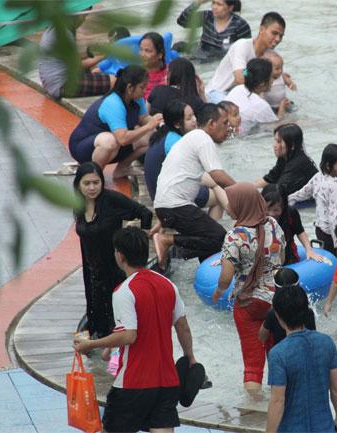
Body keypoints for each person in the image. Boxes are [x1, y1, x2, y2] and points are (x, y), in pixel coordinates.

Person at [73, 227, 197, 433]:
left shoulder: (124, 291)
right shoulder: (168, 285)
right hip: (167, 380)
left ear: (120, 256)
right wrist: (190, 357)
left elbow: (129, 336)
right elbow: (182, 327)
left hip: (134, 382)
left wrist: (91, 344)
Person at [211, 183, 285, 395]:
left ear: (242, 205)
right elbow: (281, 258)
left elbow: (226, 276)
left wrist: (218, 291)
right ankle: (278, 402)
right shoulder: (272, 224)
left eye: (231, 202)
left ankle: (253, 410)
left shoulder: (235, 236)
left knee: (253, 363)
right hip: (276, 301)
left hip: (249, 303)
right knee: (275, 354)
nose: (228, 207)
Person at [73, 163, 152, 339]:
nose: (92, 188)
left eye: (96, 182)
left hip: (114, 267)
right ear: (78, 185)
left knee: (117, 317)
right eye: (87, 184)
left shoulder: (112, 200)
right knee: (97, 315)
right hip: (91, 269)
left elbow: (145, 213)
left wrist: (141, 241)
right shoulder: (78, 204)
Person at [153, 103, 236, 271]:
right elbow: (217, 175)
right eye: (225, 123)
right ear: (212, 123)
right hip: (175, 206)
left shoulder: (194, 138)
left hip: (169, 207)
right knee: (220, 237)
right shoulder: (202, 138)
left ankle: (204, 271)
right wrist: (244, 192)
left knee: (209, 238)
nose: (229, 128)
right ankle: (167, 240)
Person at [266, 283, 337, 433]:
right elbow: (336, 387)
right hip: (325, 428)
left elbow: (277, 401)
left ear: (278, 315)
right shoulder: (326, 342)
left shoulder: (278, 354)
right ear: (305, 310)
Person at [68, 65, 163, 178]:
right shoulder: (114, 103)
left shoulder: (137, 99)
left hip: (113, 146)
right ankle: (94, 176)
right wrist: (148, 126)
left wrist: (157, 121)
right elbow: (123, 139)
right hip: (83, 147)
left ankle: (122, 169)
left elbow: (143, 118)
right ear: (129, 88)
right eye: (142, 87)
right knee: (110, 141)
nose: (145, 91)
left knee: (152, 137)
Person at [205, 12, 286, 102]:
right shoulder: (242, 46)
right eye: (274, 33)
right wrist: (252, 74)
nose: (278, 39)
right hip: (217, 93)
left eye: (281, 36)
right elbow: (240, 77)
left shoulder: (271, 55)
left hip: (240, 96)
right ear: (262, 29)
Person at [39, 8, 115, 99]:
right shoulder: (64, 35)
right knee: (115, 82)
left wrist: (92, 52)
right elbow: (78, 65)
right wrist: (103, 56)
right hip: (62, 84)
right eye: (84, 16)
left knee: (96, 74)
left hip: (51, 82)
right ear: (76, 15)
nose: (84, 20)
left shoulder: (56, 28)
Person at [288, 143, 337, 256]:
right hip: (330, 234)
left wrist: (287, 198)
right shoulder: (334, 186)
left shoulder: (318, 177)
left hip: (319, 230)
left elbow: (303, 193)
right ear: (329, 166)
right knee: (336, 261)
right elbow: (335, 216)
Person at [144, 100, 197, 201]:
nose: (194, 120)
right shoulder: (175, 141)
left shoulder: (166, 133)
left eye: (194, 115)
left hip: (160, 192)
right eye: (189, 118)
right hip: (167, 197)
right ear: (177, 124)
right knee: (215, 193)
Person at [261, 184, 323, 264]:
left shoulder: (290, 213)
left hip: (289, 255)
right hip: (265, 256)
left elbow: (300, 231)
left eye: (276, 210)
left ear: (283, 207)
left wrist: (309, 250)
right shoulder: (257, 215)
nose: (271, 214)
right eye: (267, 209)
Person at [223, 58, 287, 135]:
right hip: (244, 136)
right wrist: (282, 108)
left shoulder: (237, 89)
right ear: (262, 84)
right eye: (272, 77)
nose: (273, 80)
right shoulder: (261, 106)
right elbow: (277, 125)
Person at [258, 268, 316, 348]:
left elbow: (262, 337)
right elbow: (313, 337)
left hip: (281, 353)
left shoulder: (273, 314)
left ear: (275, 288)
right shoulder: (308, 312)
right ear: (298, 286)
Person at [176, 0, 252, 60]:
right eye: (213, 3)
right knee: (178, 46)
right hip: (201, 49)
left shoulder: (240, 25)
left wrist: (244, 73)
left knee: (187, 61)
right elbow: (182, 21)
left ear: (230, 8)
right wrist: (198, 3)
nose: (214, 7)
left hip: (214, 58)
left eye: (219, 4)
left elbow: (247, 51)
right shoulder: (208, 16)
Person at [255, 123, 318, 196]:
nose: (274, 145)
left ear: (292, 145)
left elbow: (278, 192)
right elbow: (269, 179)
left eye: (278, 142)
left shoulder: (298, 164)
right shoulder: (284, 157)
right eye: (275, 140)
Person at [139, 32, 168, 100]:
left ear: (160, 54)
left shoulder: (170, 72)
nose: (142, 54)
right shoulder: (135, 75)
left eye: (147, 51)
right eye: (141, 49)